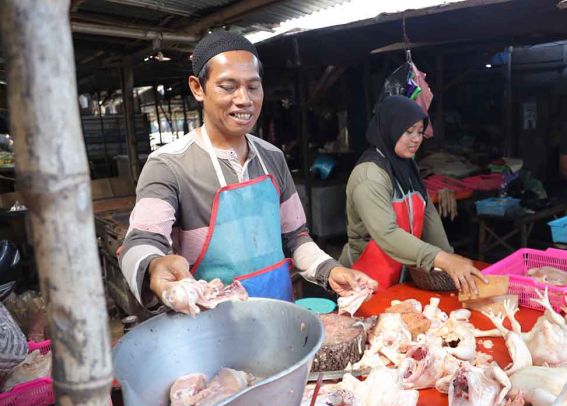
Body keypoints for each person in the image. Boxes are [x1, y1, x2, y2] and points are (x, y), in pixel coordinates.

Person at [119, 31, 376, 311]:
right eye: (228, 86)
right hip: (210, 330)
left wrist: (329, 269)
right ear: (197, 88)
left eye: (253, 87)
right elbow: (140, 243)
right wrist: (154, 265)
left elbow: (295, 237)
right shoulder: (168, 165)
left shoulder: (273, 158)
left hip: (279, 314)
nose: (244, 99)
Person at [340, 95, 485, 295]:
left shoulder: (407, 167)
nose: (416, 139)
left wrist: (450, 259)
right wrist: (442, 258)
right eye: (408, 132)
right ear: (390, 129)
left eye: (419, 132)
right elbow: (387, 234)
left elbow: (427, 213)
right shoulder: (370, 176)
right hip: (362, 280)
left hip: (399, 277)